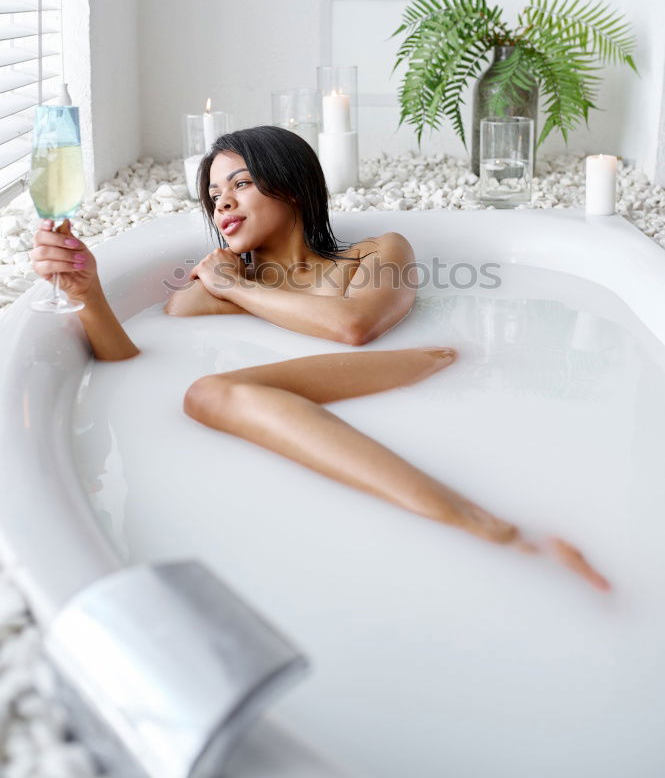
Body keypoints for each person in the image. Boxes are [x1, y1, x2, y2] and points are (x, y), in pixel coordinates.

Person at [30, 125, 611, 592]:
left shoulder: (378, 252)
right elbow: (130, 363)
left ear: (292, 185)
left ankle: (502, 535)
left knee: (211, 393)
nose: (223, 201)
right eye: (213, 196)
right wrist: (89, 294)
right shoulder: (213, 289)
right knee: (206, 393)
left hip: (435, 393)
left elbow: (354, 324)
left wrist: (239, 290)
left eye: (241, 183)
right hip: (332, 417)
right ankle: (503, 537)